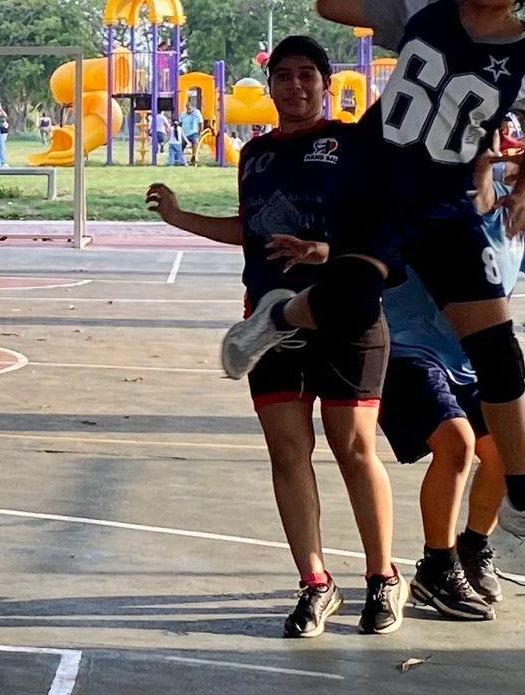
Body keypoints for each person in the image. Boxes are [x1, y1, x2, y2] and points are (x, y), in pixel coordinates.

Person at [221, 0, 525, 554]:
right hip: (376, 181)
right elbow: (333, 3)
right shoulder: (426, 8)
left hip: (448, 203)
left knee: (501, 356)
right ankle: (278, 320)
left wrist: (522, 190)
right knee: (349, 299)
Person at [146, 36, 405, 638]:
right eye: (283, 76)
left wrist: (329, 252)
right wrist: (181, 217)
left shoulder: (352, 145)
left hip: (347, 310)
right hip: (272, 321)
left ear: (326, 82)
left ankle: (382, 577)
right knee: (287, 452)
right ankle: (316, 583)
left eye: (306, 75)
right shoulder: (255, 155)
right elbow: (253, 229)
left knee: (354, 446)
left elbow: (390, 229)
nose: (294, 85)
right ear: (270, 88)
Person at [381, 150, 525, 619]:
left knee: (503, 455)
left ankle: (474, 546)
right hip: (408, 349)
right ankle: (437, 566)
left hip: (474, 356)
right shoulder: (418, 202)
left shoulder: (514, 205)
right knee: (457, 444)